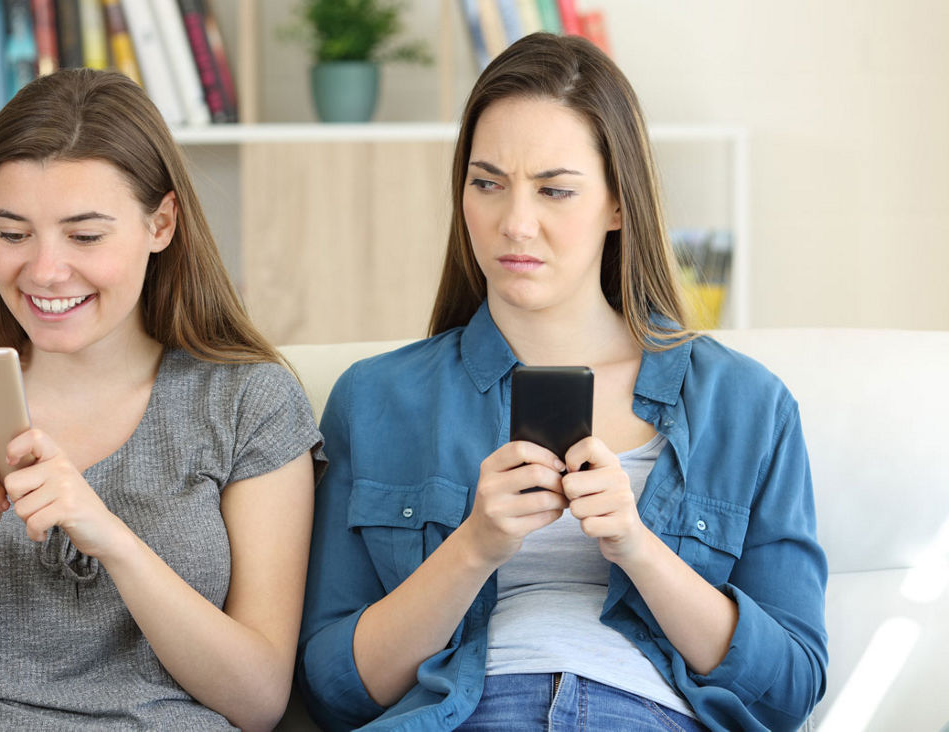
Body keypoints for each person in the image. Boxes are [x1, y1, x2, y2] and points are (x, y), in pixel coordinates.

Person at [297, 33, 827, 732]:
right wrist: (474, 546)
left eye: (555, 189)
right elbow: (336, 687)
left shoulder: (747, 405)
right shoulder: (376, 400)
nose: (515, 223)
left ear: (616, 203)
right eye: (487, 183)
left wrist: (637, 546)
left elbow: (792, 685)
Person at [0, 68, 323, 731]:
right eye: (13, 234)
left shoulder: (248, 402)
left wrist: (113, 540)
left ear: (161, 222)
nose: (44, 270)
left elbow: (260, 699)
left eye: (85, 236)